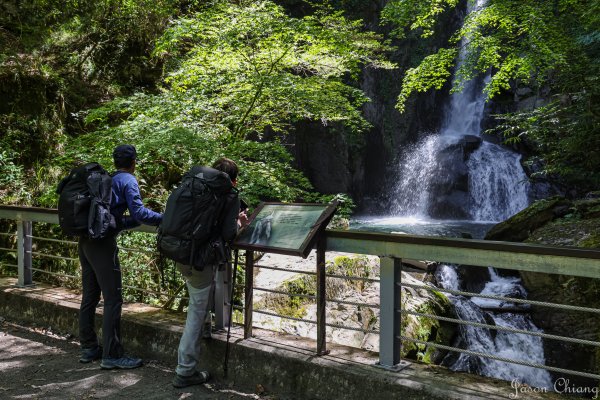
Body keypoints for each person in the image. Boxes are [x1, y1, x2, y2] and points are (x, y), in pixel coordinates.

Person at [78, 144, 163, 369]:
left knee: (90, 295)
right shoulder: (128, 181)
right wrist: (165, 218)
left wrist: (125, 222)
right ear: (134, 161)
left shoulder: (106, 178)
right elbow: (140, 213)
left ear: (115, 161)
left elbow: (117, 215)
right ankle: (112, 355)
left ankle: (89, 348)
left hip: (85, 240)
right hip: (102, 244)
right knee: (113, 299)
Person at [172, 157, 248, 388]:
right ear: (233, 181)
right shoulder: (227, 195)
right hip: (200, 260)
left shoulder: (194, 186)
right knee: (196, 310)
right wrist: (239, 223)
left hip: (179, 252)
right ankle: (185, 371)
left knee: (198, 298)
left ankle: (206, 329)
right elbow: (227, 234)